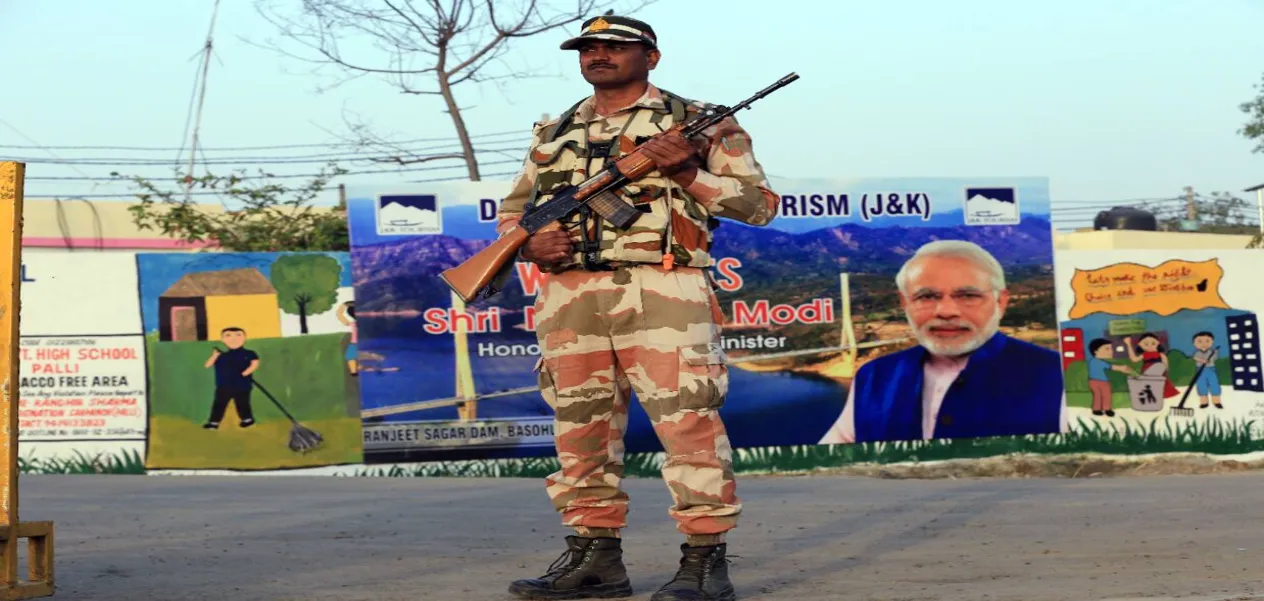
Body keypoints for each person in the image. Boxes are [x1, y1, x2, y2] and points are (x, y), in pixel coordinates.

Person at [495, 13, 780, 601]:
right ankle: (595, 561)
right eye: (589, 47)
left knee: (688, 422)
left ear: (651, 56)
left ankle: (704, 564)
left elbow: (759, 205)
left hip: (664, 289)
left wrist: (686, 171)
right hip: (569, 294)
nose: (599, 54)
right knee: (581, 427)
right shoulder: (554, 130)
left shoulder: (698, 122)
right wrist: (530, 243)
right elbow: (513, 212)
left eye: (616, 46)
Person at [818, 240, 1065, 444]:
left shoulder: (1061, 376)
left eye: (968, 295)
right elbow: (830, 457)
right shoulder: (873, 376)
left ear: (1001, 302)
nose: (946, 311)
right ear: (905, 304)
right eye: (926, 296)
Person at [202, 327, 260, 429]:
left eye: (238, 335)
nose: (234, 339)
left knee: (242, 404)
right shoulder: (222, 356)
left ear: (245, 338)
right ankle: (214, 422)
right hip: (224, 385)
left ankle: (247, 420)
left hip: (242, 385)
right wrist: (215, 355)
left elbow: (255, 363)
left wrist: (245, 373)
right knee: (219, 404)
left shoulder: (249, 353)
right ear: (222, 339)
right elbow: (207, 365)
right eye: (228, 336)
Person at [1085, 338, 1135, 417]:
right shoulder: (1099, 362)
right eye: (1107, 349)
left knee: (1099, 395)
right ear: (1096, 351)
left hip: (1093, 381)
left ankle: (1097, 409)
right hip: (1102, 382)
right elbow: (1112, 367)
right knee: (1106, 395)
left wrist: (1122, 368)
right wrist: (1122, 368)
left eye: (1111, 349)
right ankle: (1106, 409)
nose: (1110, 351)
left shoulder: (1093, 361)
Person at [1123, 333, 1179, 400]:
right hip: (1147, 374)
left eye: (1153, 343)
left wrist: (1165, 372)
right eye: (1146, 344)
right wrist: (1128, 344)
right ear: (1140, 345)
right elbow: (1134, 359)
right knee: (1148, 387)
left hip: (1159, 374)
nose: (1150, 346)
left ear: (1158, 343)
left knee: (1160, 388)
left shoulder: (1160, 354)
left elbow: (1166, 364)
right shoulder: (1144, 354)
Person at [1190, 331, 1223, 409]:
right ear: (1194, 343)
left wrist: (1215, 353)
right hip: (1200, 370)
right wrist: (1202, 360)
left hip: (1211, 369)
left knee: (1214, 385)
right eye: (1199, 341)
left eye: (1207, 341)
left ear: (1212, 342)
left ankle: (1216, 401)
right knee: (1201, 385)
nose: (1203, 344)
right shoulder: (1197, 352)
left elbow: (1215, 358)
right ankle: (1204, 402)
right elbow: (1194, 357)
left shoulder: (1212, 352)